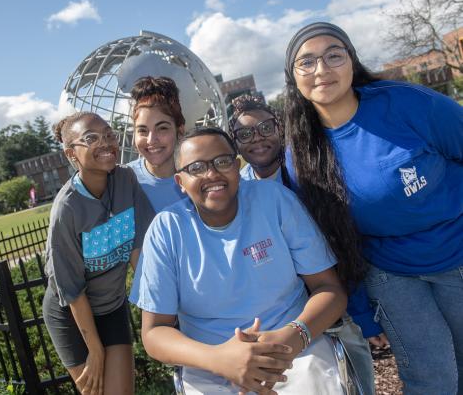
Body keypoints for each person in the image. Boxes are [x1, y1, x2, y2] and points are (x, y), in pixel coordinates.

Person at [283, 21, 463, 395]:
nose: (322, 70)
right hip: (389, 272)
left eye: (334, 55)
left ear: (352, 60)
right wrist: (362, 311)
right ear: (293, 78)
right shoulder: (300, 155)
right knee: (433, 380)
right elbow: (332, 239)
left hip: (455, 252)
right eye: (307, 62)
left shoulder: (410, 104)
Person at [131, 126, 348, 395]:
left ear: (237, 166)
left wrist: (293, 337)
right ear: (180, 182)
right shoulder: (166, 230)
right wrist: (219, 359)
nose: (212, 174)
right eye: (196, 167)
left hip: (295, 350)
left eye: (222, 162)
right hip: (209, 365)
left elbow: (330, 290)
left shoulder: (275, 200)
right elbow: (154, 333)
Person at [229, 94, 376, 395]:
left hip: (333, 297)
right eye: (245, 133)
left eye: (265, 128)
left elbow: (343, 240)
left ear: (280, 128)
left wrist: (363, 318)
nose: (257, 138)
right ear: (236, 144)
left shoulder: (308, 173)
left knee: (356, 380)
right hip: (285, 310)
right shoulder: (240, 190)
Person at [42, 112, 154, 395]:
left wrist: (157, 312)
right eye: (91, 138)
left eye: (108, 135)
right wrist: (96, 351)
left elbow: (139, 254)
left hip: (111, 307)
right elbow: (72, 290)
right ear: (71, 154)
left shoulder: (125, 180)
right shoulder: (66, 209)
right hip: (72, 315)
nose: (105, 142)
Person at [128, 76, 187, 212]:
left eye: (162, 128)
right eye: (142, 130)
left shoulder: (199, 178)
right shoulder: (124, 182)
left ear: (180, 130)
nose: (151, 140)